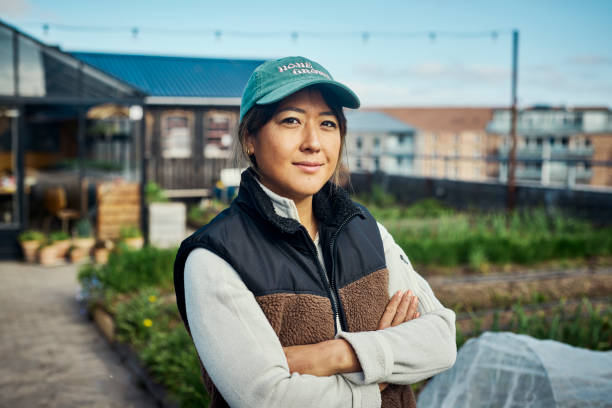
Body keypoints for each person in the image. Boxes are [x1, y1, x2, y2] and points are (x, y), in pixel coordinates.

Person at [173, 56, 456, 408]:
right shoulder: (215, 256)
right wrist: (375, 384)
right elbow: (266, 397)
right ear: (250, 138)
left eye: (327, 124)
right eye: (291, 121)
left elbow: (441, 340)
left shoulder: (367, 232)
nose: (313, 142)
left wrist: (334, 355)